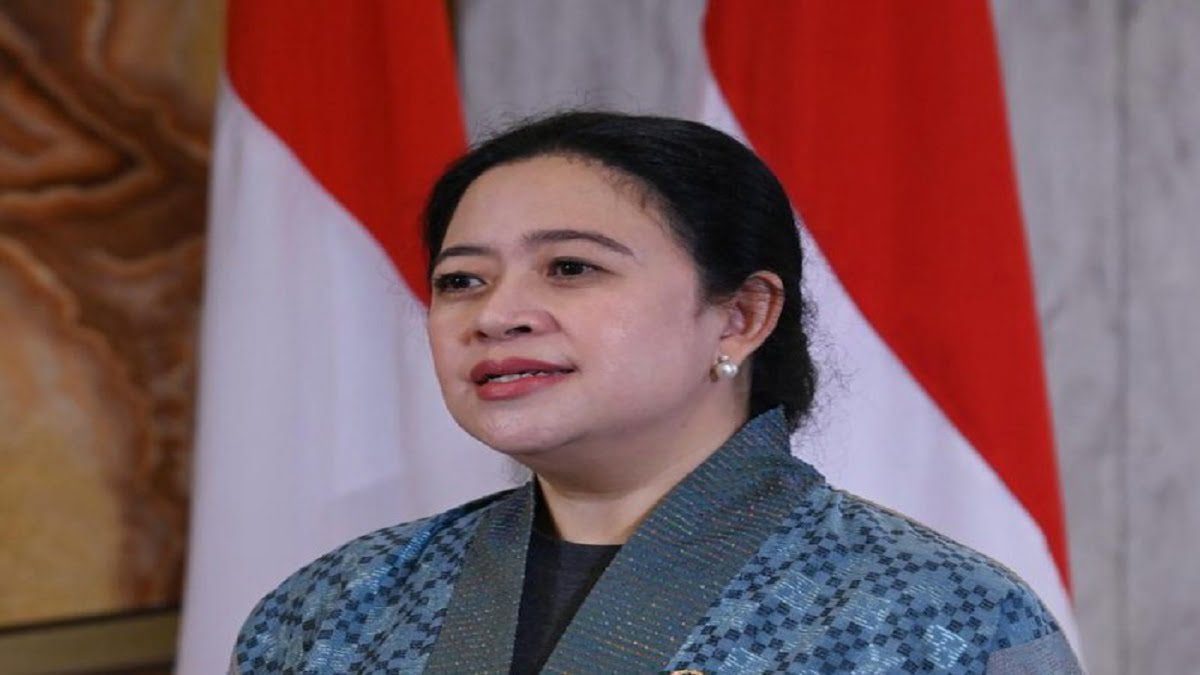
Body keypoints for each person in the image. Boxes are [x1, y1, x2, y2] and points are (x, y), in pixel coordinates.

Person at [231, 112, 1082, 674]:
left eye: (571, 267)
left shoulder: (946, 616)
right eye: (461, 280)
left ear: (741, 316)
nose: (495, 314)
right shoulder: (332, 607)